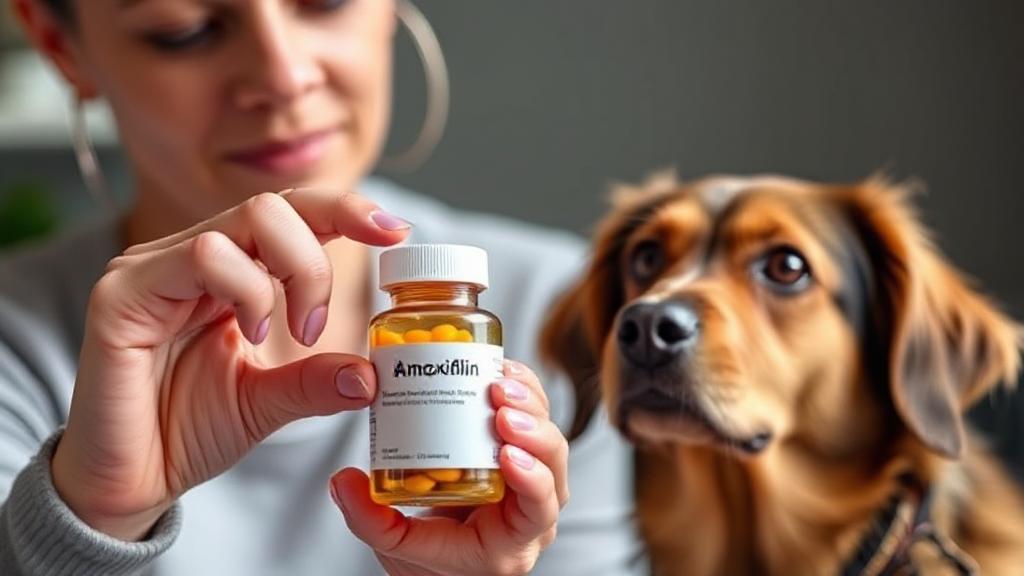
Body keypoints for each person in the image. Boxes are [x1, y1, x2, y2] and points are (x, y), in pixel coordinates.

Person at [0, 0, 643, 574]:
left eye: (326, 2)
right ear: (60, 44)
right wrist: (91, 523)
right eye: (185, 30)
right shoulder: (15, 339)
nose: (283, 77)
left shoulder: (562, 305)